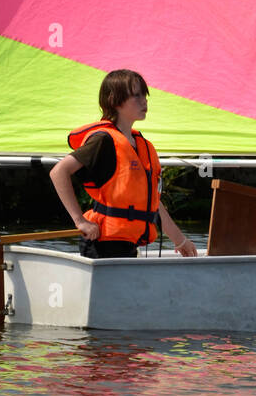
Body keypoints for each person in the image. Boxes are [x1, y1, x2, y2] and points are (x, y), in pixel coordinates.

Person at [50, 69, 198, 258]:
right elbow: (58, 172)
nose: (144, 101)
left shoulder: (141, 145)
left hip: (127, 243)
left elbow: (152, 202)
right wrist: (80, 221)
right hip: (102, 244)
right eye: (136, 95)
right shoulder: (103, 141)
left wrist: (180, 240)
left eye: (144, 95)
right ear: (114, 100)